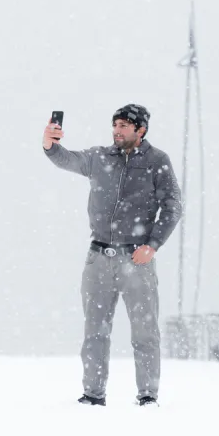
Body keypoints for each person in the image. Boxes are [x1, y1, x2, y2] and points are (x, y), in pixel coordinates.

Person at [42, 104, 183, 406]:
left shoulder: (157, 162)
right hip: (99, 259)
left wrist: (153, 245)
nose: (117, 131)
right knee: (95, 331)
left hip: (136, 259)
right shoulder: (99, 158)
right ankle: (93, 396)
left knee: (145, 333)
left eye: (124, 126)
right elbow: (66, 159)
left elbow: (173, 207)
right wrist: (50, 144)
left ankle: (147, 397)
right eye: (115, 125)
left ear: (140, 130)